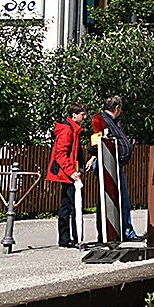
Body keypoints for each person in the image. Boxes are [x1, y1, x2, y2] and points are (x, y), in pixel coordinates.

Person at [96, 95, 137, 241]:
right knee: (114, 199)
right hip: (110, 165)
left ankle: (115, 232)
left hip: (114, 164)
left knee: (113, 199)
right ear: (117, 108)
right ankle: (115, 233)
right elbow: (96, 143)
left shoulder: (112, 121)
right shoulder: (104, 121)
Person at [46, 102, 87, 248]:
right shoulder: (67, 130)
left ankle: (64, 240)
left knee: (66, 205)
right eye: (82, 114)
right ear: (74, 115)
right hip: (68, 173)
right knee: (76, 205)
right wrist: (72, 172)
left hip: (68, 172)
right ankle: (77, 239)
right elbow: (61, 153)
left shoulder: (71, 129)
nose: (85, 117)